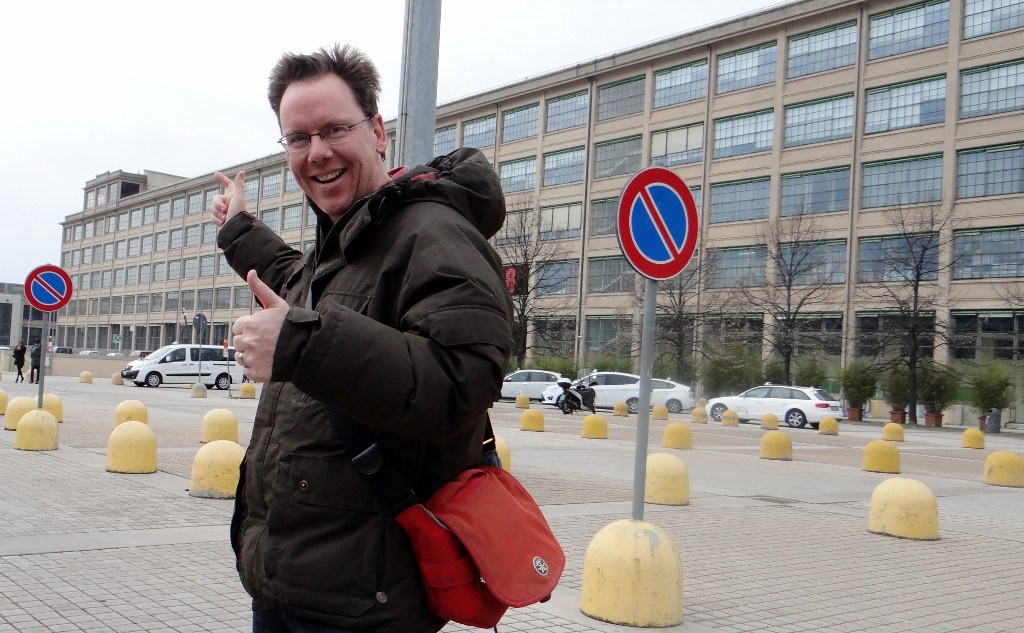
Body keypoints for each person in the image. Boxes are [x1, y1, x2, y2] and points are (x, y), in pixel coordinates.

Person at [210, 44, 512, 633]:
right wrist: (237, 230)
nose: (317, 152)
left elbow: (462, 381)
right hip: (297, 585)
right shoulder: (349, 239)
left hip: (365, 604)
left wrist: (299, 345)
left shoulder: (432, 233)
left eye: (333, 129)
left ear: (377, 131)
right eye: (298, 138)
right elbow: (295, 283)